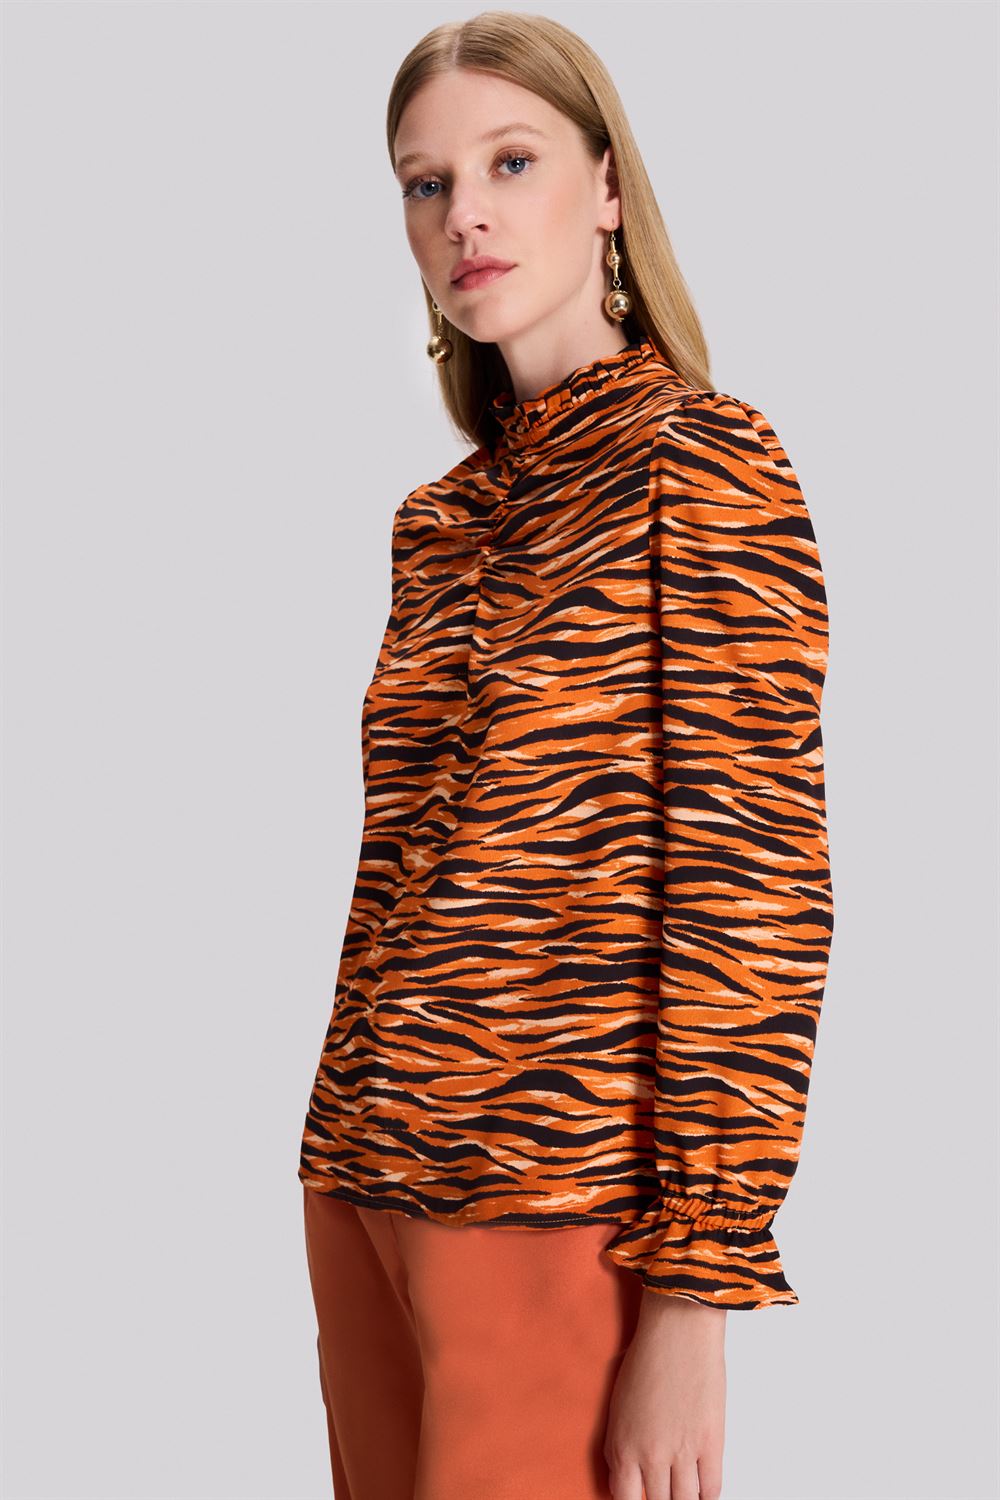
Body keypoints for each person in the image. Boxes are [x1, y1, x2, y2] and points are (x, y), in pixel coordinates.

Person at [298, 12, 834, 1500]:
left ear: (605, 187)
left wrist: (698, 1288)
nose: (463, 213)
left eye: (510, 161)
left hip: (553, 1194)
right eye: (425, 182)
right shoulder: (438, 522)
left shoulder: (706, 461)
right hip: (361, 1177)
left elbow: (754, 885)